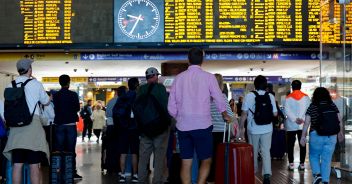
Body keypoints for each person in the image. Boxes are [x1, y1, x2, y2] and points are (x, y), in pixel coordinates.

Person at [168, 48, 231, 184]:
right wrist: (225, 114)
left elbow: (171, 106)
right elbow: (219, 98)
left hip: (183, 127)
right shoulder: (209, 77)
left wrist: (179, 117)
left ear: (188, 60)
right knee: (206, 159)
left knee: (186, 162)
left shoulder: (179, 78)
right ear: (202, 60)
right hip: (203, 126)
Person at [3, 59, 50, 184]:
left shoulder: (10, 85)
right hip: (32, 126)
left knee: (17, 165)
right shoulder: (36, 84)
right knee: (34, 165)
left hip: (15, 128)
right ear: (30, 69)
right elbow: (46, 101)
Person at [300, 87, 344, 184]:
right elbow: (339, 120)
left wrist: (303, 136)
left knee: (314, 155)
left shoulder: (313, 106)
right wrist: (340, 133)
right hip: (331, 136)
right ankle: (325, 181)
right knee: (326, 160)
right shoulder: (332, 105)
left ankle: (317, 175)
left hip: (316, 135)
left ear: (315, 96)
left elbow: (306, 123)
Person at [239, 75, 278, 184]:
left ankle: (253, 173)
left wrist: (240, 129)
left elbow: (244, 114)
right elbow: (275, 113)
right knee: (266, 151)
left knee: (253, 152)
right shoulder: (270, 96)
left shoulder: (249, 96)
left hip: (253, 129)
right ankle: (266, 175)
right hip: (267, 128)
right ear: (265, 85)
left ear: (255, 85)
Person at [137, 67, 170, 184]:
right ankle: (157, 181)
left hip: (145, 130)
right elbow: (167, 107)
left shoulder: (141, 89)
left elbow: (137, 110)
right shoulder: (161, 88)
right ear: (155, 76)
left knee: (143, 158)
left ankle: (141, 180)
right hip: (160, 129)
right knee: (159, 158)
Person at [52, 74, 82, 180]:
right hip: (70, 125)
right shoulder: (73, 94)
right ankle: (71, 172)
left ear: (60, 83)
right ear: (68, 83)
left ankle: (59, 172)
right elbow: (77, 108)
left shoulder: (55, 95)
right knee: (70, 150)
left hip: (59, 124)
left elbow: (54, 109)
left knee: (59, 149)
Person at [207, 74, 235, 183]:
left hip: (209, 131)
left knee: (210, 156)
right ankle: (220, 177)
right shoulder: (221, 97)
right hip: (221, 132)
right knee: (220, 157)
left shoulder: (207, 97)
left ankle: (210, 178)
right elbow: (229, 115)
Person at [117, 78, 140, 183]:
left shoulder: (122, 97)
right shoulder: (138, 97)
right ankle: (135, 175)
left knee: (123, 152)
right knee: (134, 152)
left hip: (123, 129)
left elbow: (116, 113)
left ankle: (122, 175)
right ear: (136, 85)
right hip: (134, 128)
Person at [284, 80, 310, 171]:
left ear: (292, 87)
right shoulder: (306, 97)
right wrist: (302, 119)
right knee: (302, 143)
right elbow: (308, 110)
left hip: (291, 125)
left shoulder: (288, 97)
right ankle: (302, 164)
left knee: (290, 144)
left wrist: (295, 119)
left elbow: (286, 110)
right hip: (303, 124)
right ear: (300, 86)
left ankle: (291, 164)